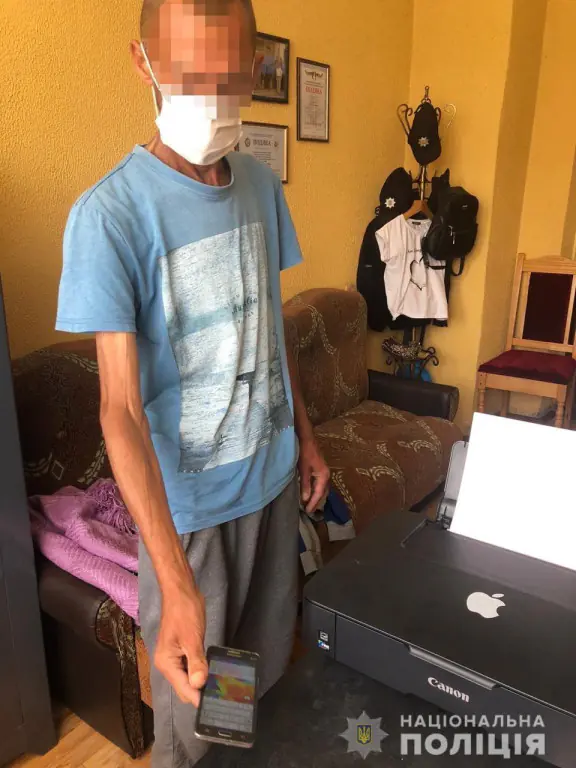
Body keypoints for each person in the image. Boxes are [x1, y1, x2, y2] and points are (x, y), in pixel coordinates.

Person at [55, 0, 330, 765]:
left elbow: (271, 328)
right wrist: (174, 580)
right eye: (189, 69)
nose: (212, 91)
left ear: (252, 66)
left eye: (229, 70)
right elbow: (119, 410)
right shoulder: (110, 216)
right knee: (204, 722)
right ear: (143, 62)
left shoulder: (260, 184)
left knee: (260, 692)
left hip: (274, 490)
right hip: (196, 525)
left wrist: (306, 440)